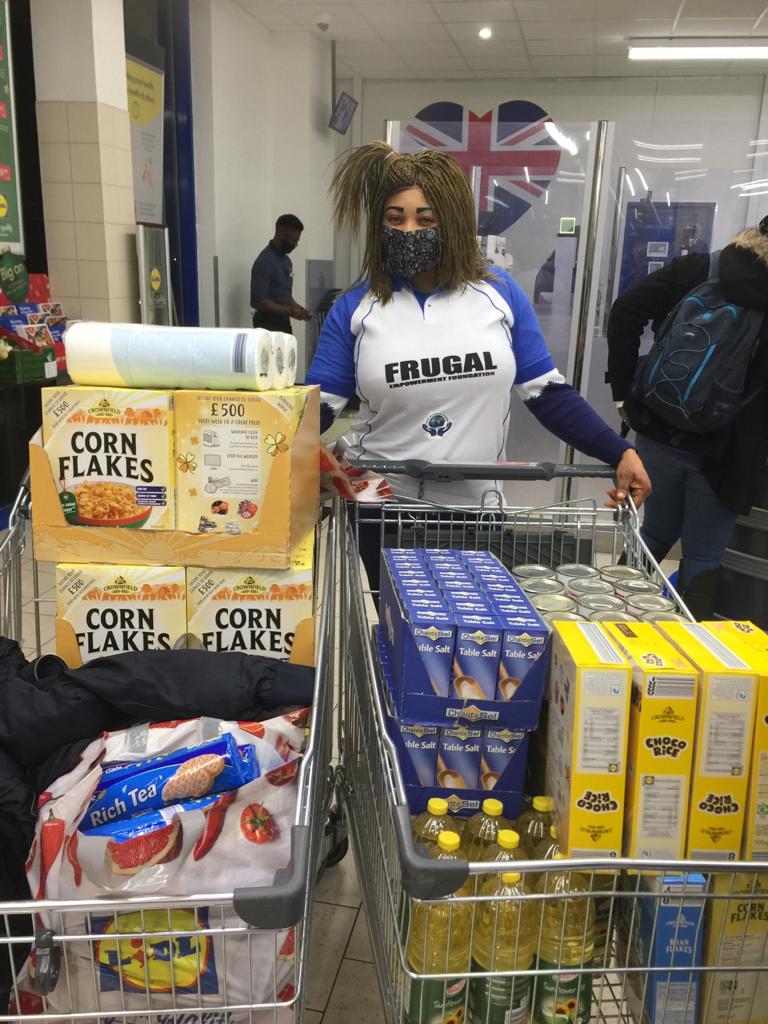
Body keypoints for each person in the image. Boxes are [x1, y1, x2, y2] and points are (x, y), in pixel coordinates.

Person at [306, 142, 650, 512]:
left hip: (477, 508)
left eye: (425, 220)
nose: (408, 231)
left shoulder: (498, 293)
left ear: (452, 222)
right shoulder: (356, 306)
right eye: (395, 219)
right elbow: (316, 407)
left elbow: (546, 393)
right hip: (378, 503)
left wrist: (620, 452)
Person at [607, 216, 768, 616]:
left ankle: (607, 627)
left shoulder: (703, 267)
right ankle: (692, 649)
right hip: (727, 451)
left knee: (654, 534)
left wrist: (624, 394)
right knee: (703, 555)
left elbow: (625, 310)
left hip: (659, 431)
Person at [250, 214, 312, 333]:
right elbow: (259, 302)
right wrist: (291, 311)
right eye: (294, 240)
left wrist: (299, 309)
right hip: (266, 325)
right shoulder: (264, 261)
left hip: (283, 323)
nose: (295, 245)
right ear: (282, 234)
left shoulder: (286, 261)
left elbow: (284, 296)